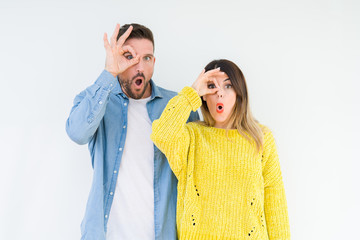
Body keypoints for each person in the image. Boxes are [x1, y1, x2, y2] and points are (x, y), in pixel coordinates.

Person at [66, 23, 199, 240]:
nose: (139, 66)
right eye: (129, 56)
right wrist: (109, 72)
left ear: (154, 62)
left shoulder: (177, 106)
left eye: (146, 58)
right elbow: (77, 133)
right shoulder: (99, 101)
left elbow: (196, 174)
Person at [151, 59, 290, 239]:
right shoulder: (192, 136)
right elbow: (162, 133)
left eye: (228, 86)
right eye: (211, 86)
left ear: (239, 93)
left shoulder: (261, 138)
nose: (219, 94)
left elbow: (275, 204)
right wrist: (191, 92)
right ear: (204, 96)